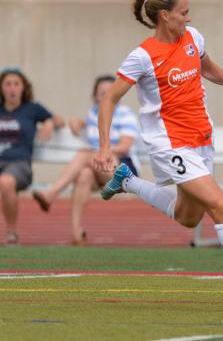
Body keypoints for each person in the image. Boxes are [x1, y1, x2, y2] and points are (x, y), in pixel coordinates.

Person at [93, 0, 223, 303]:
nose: (189, 17)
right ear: (164, 15)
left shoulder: (193, 38)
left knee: (188, 217)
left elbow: (207, 68)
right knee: (221, 206)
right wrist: (104, 147)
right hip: (170, 145)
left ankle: (126, 181)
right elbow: (110, 100)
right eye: (183, 13)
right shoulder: (142, 56)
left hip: (201, 139)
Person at [32, 75, 141, 246]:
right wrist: (79, 122)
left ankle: (52, 193)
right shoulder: (94, 113)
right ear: (95, 97)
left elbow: (125, 146)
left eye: (109, 92)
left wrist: (101, 151)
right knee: (83, 175)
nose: (105, 96)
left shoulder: (125, 114)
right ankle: (77, 235)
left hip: (123, 170)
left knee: (85, 153)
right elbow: (92, 127)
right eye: (101, 93)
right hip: (100, 169)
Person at [0, 67, 63, 245]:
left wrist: (49, 123)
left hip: (19, 164)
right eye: (7, 84)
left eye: (16, 84)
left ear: (23, 88)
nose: (12, 88)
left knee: (5, 181)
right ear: (2, 88)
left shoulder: (32, 109)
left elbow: (59, 120)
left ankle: (11, 233)